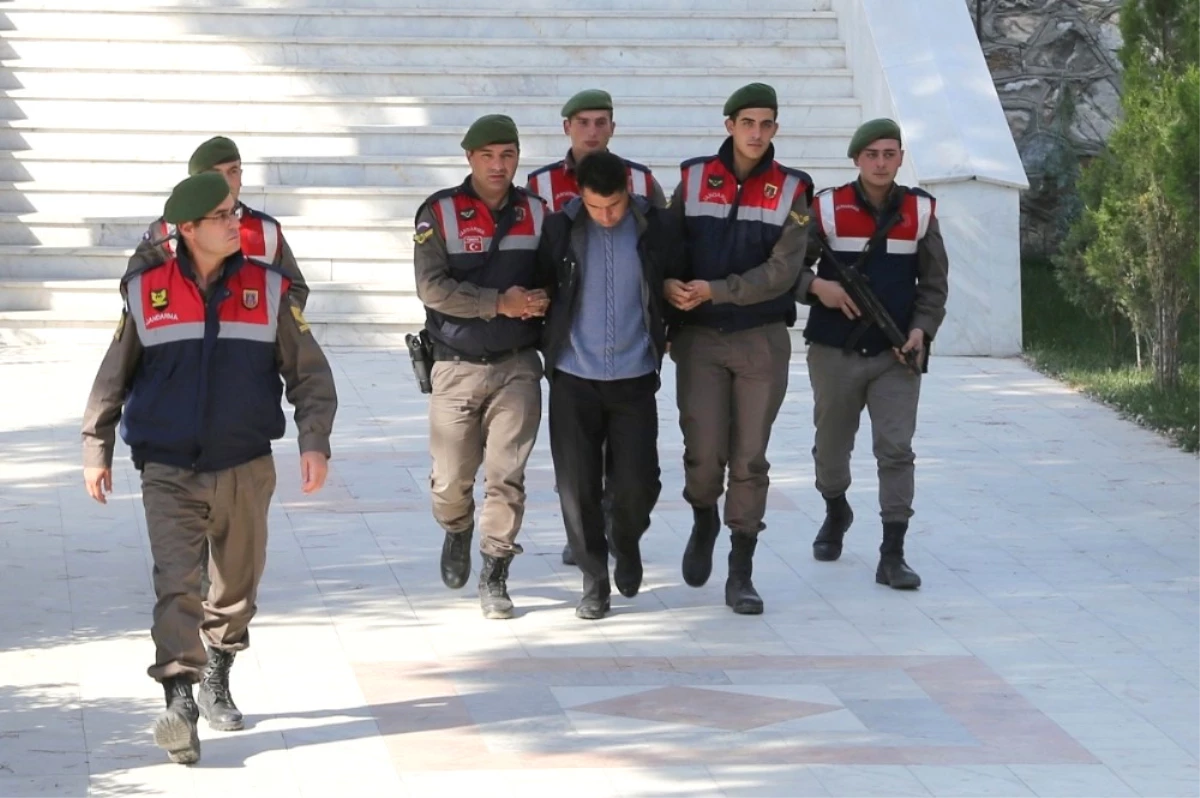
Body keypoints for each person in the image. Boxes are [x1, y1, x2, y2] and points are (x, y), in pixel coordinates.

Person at [81, 172, 338, 765]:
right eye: (222, 216)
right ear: (188, 230)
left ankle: (219, 669)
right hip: (167, 467)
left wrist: (314, 440)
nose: (235, 223)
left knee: (236, 586)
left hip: (245, 464)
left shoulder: (268, 290)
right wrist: (96, 445)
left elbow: (309, 374)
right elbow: (112, 375)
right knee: (177, 584)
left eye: (234, 214)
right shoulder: (148, 292)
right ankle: (180, 700)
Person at [665, 82, 813, 615]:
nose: (756, 133)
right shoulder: (692, 177)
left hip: (760, 340)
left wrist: (718, 289)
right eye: (747, 122)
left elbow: (783, 271)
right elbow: (668, 244)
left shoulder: (793, 188)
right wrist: (668, 287)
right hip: (700, 338)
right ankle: (704, 514)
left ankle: (741, 569)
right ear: (729, 125)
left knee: (749, 457)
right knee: (704, 452)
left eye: (766, 124)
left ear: (775, 128)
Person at [797, 118, 949, 590]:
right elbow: (787, 270)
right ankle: (835, 508)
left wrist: (922, 330)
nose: (881, 163)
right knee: (831, 448)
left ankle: (893, 552)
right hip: (834, 351)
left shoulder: (920, 211)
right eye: (872, 155)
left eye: (890, 153)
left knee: (896, 450)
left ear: (901, 158)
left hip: (896, 354)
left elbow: (934, 284)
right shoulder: (824, 208)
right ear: (857, 159)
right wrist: (817, 287)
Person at [413, 114, 550, 620]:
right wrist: (499, 303)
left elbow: (558, 275)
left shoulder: (537, 211)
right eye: (488, 156)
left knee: (506, 475)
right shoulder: (440, 213)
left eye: (508, 155)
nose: (499, 165)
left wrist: (541, 300)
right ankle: (457, 527)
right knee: (450, 481)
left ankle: (495, 573)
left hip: (517, 365)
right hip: (455, 365)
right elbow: (432, 289)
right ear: (469, 158)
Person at [536, 151, 681, 619]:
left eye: (614, 205)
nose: (606, 216)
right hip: (574, 377)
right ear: (580, 196)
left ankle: (626, 538)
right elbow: (543, 283)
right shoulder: (561, 228)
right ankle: (594, 579)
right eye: (596, 207)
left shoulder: (652, 228)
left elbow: (672, 279)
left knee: (640, 481)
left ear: (628, 192)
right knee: (576, 488)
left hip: (635, 375)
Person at [526, 88, 666, 567]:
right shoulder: (541, 185)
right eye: (583, 122)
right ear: (566, 127)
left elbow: (662, 252)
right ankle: (590, 544)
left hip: (631, 355)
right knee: (579, 467)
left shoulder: (643, 182)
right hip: (576, 354)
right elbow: (536, 260)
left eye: (601, 122)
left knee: (635, 470)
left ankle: (619, 529)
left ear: (613, 126)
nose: (592, 131)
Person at [130, 135, 309, 309]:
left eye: (233, 171)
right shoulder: (165, 232)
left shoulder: (266, 231)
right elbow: (134, 286)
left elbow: (295, 290)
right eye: (215, 174)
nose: (226, 182)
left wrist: (269, 324)